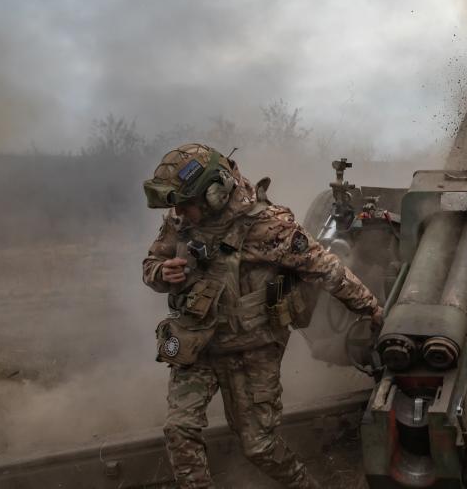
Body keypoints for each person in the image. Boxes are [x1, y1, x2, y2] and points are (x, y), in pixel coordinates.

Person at [141, 143, 384, 489]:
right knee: (179, 430)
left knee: (259, 446)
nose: (178, 211)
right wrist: (161, 272)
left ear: (214, 192)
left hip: (252, 349)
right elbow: (152, 263)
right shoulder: (179, 222)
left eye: (186, 203)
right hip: (197, 344)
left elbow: (327, 270)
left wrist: (372, 309)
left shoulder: (269, 226)